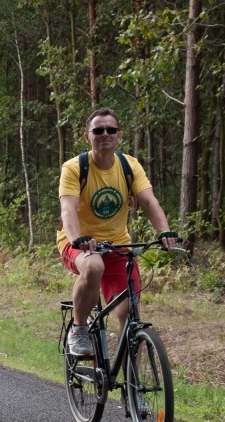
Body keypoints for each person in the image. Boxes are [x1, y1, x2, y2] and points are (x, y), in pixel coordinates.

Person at [57, 108, 177, 357]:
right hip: (77, 242)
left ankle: (132, 391)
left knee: (128, 315)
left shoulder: (129, 166)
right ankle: (79, 330)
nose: (105, 134)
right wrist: (78, 239)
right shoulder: (75, 167)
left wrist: (164, 231)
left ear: (119, 135)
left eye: (111, 130)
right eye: (98, 130)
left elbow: (148, 202)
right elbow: (68, 209)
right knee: (94, 266)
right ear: (86, 136)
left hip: (117, 245)